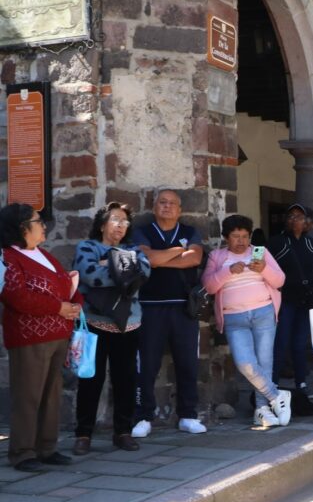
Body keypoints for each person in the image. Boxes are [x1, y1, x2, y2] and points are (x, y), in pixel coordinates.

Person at [1, 205, 83, 472]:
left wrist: (76, 303)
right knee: (28, 395)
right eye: (38, 221)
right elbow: (16, 296)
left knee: (51, 395)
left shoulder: (44, 254)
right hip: (29, 338)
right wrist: (58, 308)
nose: (44, 225)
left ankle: (46, 448)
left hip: (58, 334)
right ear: (22, 227)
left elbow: (63, 283)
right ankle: (22, 452)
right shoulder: (8, 258)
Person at [73, 202, 151, 456]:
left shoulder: (134, 249)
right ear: (102, 224)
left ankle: (123, 432)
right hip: (95, 322)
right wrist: (122, 269)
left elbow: (141, 274)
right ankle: (83, 434)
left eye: (125, 222)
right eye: (116, 219)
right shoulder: (87, 247)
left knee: (125, 380)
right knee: (90, 380)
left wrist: (108, 264)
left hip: (128, 323)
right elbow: (90, 275)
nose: (121, 225)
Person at [203, 215, 291, 428]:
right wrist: (227, 271)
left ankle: (262, 410)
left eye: (245, 236)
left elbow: (280, 280)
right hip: (234, 317)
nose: (241, 241)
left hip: (263, 312)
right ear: (226, 238)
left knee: (264, 363)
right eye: (236, 236)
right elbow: (209, 286)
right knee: (245, 364)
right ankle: (276, 396)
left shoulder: (260, 252)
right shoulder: (217, 256)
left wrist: (264, 269)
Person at [131, 189, 207, 438]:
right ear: (154, 207)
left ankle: (188, 415)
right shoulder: (142, 231)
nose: (167, 206)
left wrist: (160, 257)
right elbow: (148, 259)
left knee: (188, 363)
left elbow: (194, 258)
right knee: (147, 364)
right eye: (162, 202)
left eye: (172, 203)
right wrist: (177, 250)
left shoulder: (189, 231)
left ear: (180, 209)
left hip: (184, 307)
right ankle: (143, 417)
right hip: (150, 306)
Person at [267, 203, 313, 410]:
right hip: (284, 300)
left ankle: (301, 383)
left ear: (307, 222)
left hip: (305, 301)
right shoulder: (277, 242)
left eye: (299, 216)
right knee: (280, 343)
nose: (293, 219)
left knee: (299, 344)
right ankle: (272, 385)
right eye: (290, 216)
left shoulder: (310, 243)